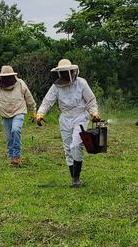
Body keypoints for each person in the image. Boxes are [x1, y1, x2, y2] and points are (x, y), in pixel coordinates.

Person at [35, 59, 100, 187]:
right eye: (62, 72)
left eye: (66, 72)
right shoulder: (56, 86)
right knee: (68, 149)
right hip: (65, 118)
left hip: (80, 116)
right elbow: (47, 101)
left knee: (76, 145)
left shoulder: (81, 83)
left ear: (72, 71)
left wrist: (94, 113)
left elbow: (91, 100)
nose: (64, 75)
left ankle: (77, 177)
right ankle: (74, 178)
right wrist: (40, 114)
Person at [0, 65, 36, 166]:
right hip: (5, 114)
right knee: (9, 138)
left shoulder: (20, 83)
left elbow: (29, 97)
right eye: (5, 77)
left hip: (19, 111)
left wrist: (33, 111)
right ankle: (12, 159)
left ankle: (16, 156)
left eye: (8, 76)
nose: (7, 79)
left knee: (16, 130)